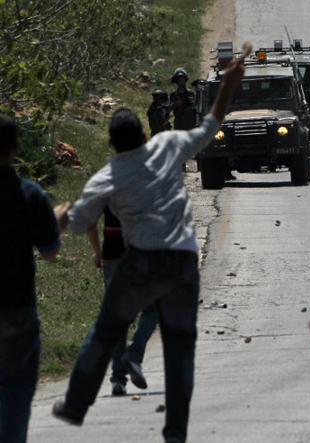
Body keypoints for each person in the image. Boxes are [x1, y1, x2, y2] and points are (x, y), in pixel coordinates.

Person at [51, 50, 247, 443]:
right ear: (144, 134)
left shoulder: (106, 176)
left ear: (109, 142)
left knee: (107, 329)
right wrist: (228, 83)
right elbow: (212, 124)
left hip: (139, 264)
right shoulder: (169, 146)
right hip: (183, 263)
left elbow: (74, 226)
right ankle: (175, 432)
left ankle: (75, 403)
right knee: (179, 350)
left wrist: (58, 214)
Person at [0, 114, 70, 443]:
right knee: (15, 389)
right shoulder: (30, 194)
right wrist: (56, 221)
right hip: (16, 307)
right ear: (15, 148)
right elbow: (50, 252)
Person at [86, 207, 159, 396]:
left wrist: (96, 251)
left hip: (112, 256)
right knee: (152, 309)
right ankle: (134, 355)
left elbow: (90, 222)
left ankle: (118, 381)